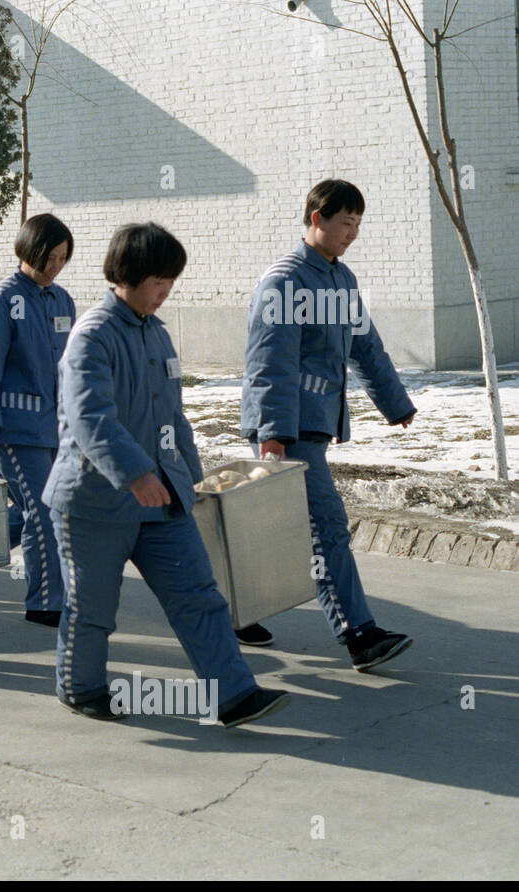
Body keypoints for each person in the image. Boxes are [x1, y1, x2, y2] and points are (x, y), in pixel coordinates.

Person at [44, 222, 290, 727]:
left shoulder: (157, 333)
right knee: (92, 606)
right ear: (128, 275)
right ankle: (81, 686)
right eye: (158, 280)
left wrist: (192, 480)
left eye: (171, 281)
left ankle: (234, 694)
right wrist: (135, 473)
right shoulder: (92, 336)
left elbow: (172, 417)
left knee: (198, 595)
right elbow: (90, 417)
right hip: (95, 501)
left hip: (163, 501)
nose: (165, 291)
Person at [240, 179, 416, 671]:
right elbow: (269, 362)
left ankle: (232, 610)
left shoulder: (340, 280)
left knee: (282, 529)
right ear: (316, 219)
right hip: (287, 428)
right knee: (326, 528)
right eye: (346, 222)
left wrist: (394, 403)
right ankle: (359, 633)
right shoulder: (285, 281)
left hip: (314, 425)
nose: (353, 233)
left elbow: (366, 346)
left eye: (359, 224)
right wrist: (272, 434)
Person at [0, 213, 76, 625]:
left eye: (64, 258)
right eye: (52, 256)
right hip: (11, 428)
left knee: (37, 507)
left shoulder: (62, 300)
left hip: (53, 427)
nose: (57, 266)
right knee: (44, 511)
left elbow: (71, 364)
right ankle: (46, 602)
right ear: (30, 250)